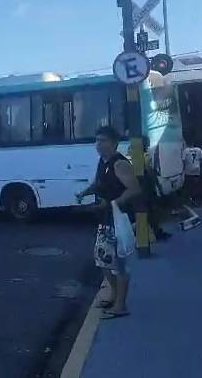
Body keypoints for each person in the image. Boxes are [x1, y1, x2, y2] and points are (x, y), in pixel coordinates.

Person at [76, 126, 141, 319]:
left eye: (103, 140)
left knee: (119, 264)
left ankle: (120, 306)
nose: (99, 144)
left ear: (114, 143)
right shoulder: (102, 162)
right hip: (106, 219)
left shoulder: (119, 164)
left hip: (119, 219)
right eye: (97, 140)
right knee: (102, 260)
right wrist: (84, 193)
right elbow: (98, 184)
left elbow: (134, 189)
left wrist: (113, 203)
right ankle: (113, 295)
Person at [182, 142, 202, 207]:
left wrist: (183, 169)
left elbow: (183, 161)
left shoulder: (185, 151)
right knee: (196, 186)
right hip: (197, 170)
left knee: (189, 187)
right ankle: (196, 201)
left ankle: (190, 200)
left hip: (188, 171)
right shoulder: (198, 149)